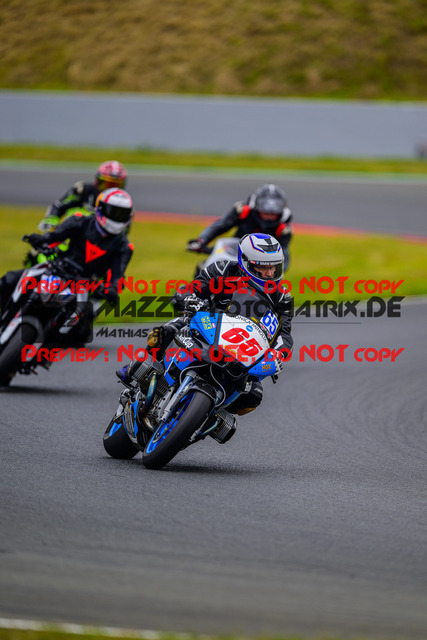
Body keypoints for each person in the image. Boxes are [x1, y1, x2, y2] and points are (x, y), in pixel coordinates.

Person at [119, 233, 293, 416]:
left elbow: (285, 335)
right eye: (262, 267)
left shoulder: (282, 297)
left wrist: (279, 353)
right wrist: (190, 299)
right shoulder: (223, 269)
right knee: (164, 333)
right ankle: (137, 372)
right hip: (206, 326)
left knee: (252, 397)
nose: (269, 273)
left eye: (273, 267)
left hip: (244, 349)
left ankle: (210, 418)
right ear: (245, 262)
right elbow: (190, 289)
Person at [0, 188, 134, 320]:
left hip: (84, 286)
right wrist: (40, 239)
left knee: (84, 322)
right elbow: (53, 236)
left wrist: (112, 289)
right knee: (10, 279)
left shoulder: (124, 246)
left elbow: (117, 274)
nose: (116, 217)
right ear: (101, 208)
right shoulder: (80, 221)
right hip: (58, 269)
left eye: (121, 214)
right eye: (113, 211)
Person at [187, 184, 293, 271]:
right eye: (265, 212)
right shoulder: (242, 211)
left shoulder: (283, 229)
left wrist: (273, 272)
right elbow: (220, 226)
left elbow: (284, 257)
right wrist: (201, 241)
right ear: (256, 207)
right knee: (203, 269)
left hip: (261, 266)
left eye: (273, 213)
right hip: (235, 252)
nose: (269, 216)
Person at [38, 160, 128, 232]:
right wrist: (50, 221)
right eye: (108, 185)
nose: (110, 189)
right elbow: (59, 206)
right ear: (99, 181)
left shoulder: (124, 204)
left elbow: (122, 232)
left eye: (116, 185)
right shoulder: (82, 190)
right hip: (70, 236)